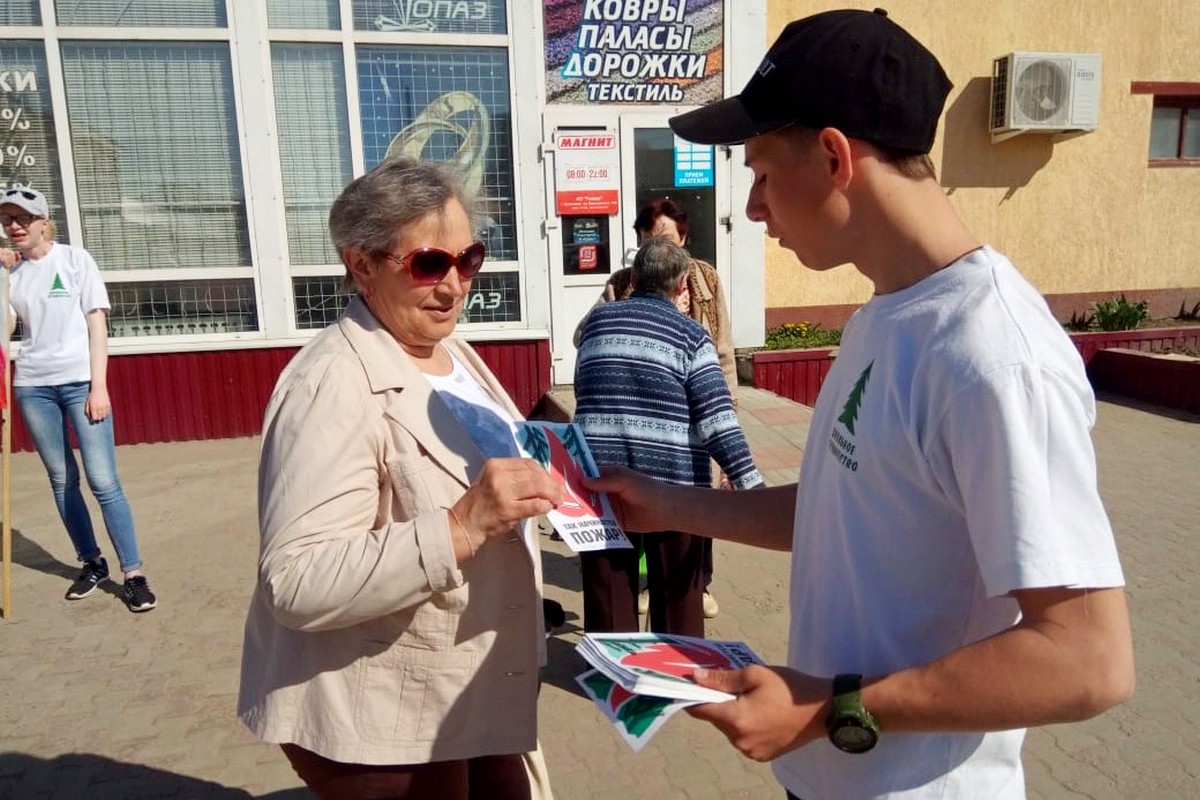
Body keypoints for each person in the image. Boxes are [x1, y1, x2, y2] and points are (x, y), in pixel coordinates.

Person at [585, 9, 1134, 799]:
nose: (751, 209)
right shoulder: (888, 313)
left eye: (763, 174)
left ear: (837, 157)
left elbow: (1088, 659)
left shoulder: (995, 356)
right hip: (830, 775)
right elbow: (849, 508)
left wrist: (829, 708)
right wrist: (667, 504)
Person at [237, 157, 561, 800]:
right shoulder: (331, 382)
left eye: (468, 259)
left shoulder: (450, 350)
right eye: (428, 264)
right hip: (382, 723)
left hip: (472, 690)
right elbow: (296, 578)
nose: (454, 286)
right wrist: (461, 526)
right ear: (362, 265)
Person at [574, 237, 763, 638]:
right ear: (681, 287)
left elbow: (583, 389)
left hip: (599, 480)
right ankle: (675, 675)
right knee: (679, 601)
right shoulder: (691, 336)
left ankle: (614, 684)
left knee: (608, 594)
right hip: (672, 488)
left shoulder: (596, 324)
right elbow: (717, 422)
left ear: (635, 278)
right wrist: (752, 486)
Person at [1, 186, 157, 612]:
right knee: (61, 480)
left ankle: (134, 573)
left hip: (80, 384)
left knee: (104, 482)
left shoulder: (74, 261)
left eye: (23, 218)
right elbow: (10, 325)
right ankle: (91, 562)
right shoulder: (11, 275)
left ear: (43, 221)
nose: (15, 226)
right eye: (7, 219)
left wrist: (99, 385)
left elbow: (97, 326)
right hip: (33, 385)